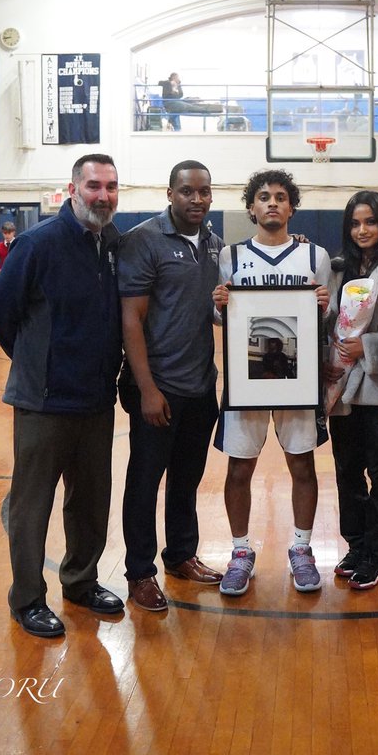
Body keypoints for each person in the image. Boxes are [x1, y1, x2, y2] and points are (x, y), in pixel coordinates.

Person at [0, 154, 124, 637]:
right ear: (72, 189)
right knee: (32, 505)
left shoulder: (113, 244)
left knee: (90, 502)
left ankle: (81, 582)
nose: (102, 195)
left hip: (96, 402)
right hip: (43, 404)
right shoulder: (37, 244)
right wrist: (33, 366)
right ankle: (26, 598)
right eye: (93, 186)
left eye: (110, 186)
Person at [212, 169, 331, 596]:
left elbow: (325, 318)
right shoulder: (230, 256)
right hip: (248, 380)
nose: (273, 203)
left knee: (302, 464)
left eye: (281, 196)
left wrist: (325, 305)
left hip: (298, 379)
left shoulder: (315, 255)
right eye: (264, 196)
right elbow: (223, 317)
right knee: (239, 467)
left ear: (292, 207)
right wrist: (220, 306)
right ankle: (241, 552)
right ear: (251, 207)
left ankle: (301, 549)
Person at [117, 160, 224, 613]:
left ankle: (180, 555)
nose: (196, 199)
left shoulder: (215, 246)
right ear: (170, 193)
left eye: (204, 192)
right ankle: (140, 572)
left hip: (200, 387)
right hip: (157, 388)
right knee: (145, 482)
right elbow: (131, 319)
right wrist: (147, 389)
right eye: (187, 191)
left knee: (187, 480)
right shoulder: (143, 240)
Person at [325, 190, 378, 590]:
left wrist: (370, 346)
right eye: (355, 223)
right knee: (348, 472)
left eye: (370, 221)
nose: (363, 230)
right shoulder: (337, 269)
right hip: (343, 388)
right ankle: (356, 544)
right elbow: (327, 324)